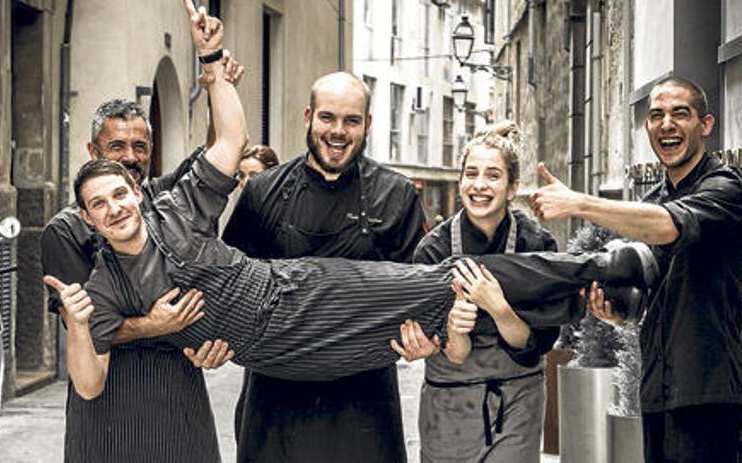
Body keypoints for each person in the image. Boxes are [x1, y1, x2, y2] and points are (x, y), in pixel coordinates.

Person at [48, 156, 656, 394]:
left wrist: (211, 61)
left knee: (443, 287)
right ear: (88, 217)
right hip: (280, 354)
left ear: (135, 193)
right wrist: (82, 324)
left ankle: (589, 284)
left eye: (120, 195)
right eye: (99, 205)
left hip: (300, 291)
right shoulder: (100, 286)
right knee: (437, 304)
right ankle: (591, 282)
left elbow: (229, 139)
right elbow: (89, 383)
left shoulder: (171, 215)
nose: (115, 209)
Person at [40, 0, 236, 462]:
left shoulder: (165, 204)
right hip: (107, 402)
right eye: (117, 148)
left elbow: (219, 154)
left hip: (178, 392)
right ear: (93, 154)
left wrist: (215, 79)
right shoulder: (65, 230)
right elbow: (84, 330)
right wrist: (156, 323)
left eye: (140, 148)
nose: (130, 158)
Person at [528, 76, 742, 462]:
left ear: (706, 125)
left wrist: (580, 203)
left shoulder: (725, 190)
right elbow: (652, 290)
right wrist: (619, 314)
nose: (666, 124)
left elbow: (669, 225)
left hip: (707, 394)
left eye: (679, 114)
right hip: (656, 391)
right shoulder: (652, 200)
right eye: (656, 115)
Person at [221, 71, 428, 463]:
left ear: (367, 125)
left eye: (351, 121)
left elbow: (417, 293)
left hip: (363, 405)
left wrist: (420, 338)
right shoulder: (263, 192)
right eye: (328, 118)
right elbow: (230, 289)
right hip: (274, 401)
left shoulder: (396, 195)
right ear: (308, 117)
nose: (338, 132)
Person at [413, 122, 559, 462]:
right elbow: (455, 353)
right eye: (471, 173)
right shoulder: (432, 252)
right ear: (460, 180)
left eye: (493, 175)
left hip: (518, 404)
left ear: (512, 188)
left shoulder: (536, 245)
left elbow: (538, 343)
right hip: (448, 407)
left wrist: (499, 309)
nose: (479, 185)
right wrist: (454, 328)